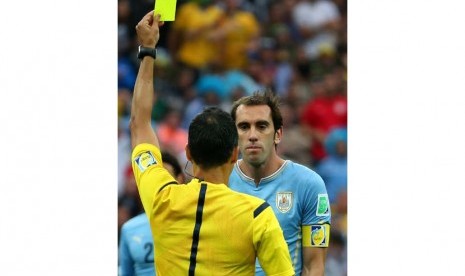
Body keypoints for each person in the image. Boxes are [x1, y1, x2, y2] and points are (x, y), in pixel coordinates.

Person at [130, 11, 294, 276]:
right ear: (234, 154)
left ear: (188, 152)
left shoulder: (161, 196)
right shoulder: (257, 215)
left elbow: (139, 123)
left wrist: (148, 50)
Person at [229, 91, 332, 276]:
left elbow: (314, 266)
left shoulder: (308, 184)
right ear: (234, 135)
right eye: (244, 127)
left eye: (262, 126)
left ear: (278, 134)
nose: (253, 135)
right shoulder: (220, 181)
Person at [119, 151, 185, 276]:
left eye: (165, 179)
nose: (157, 186)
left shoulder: (195, 222)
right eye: (152, 180)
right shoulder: (129, 229)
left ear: (180, 179)